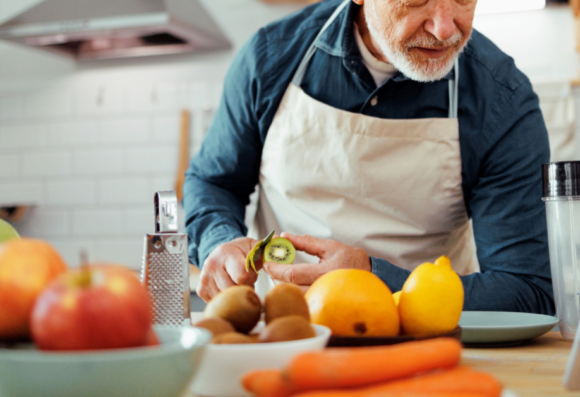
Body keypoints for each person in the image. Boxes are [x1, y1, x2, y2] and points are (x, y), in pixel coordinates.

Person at [184, 0, 554, 314]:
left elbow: (524, 290)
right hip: (282, 332)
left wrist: (374, 277)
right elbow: (213, 183)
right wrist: (220, 242)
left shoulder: (500, 98)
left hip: (427, 344)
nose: (444, 29)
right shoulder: (270, 57)